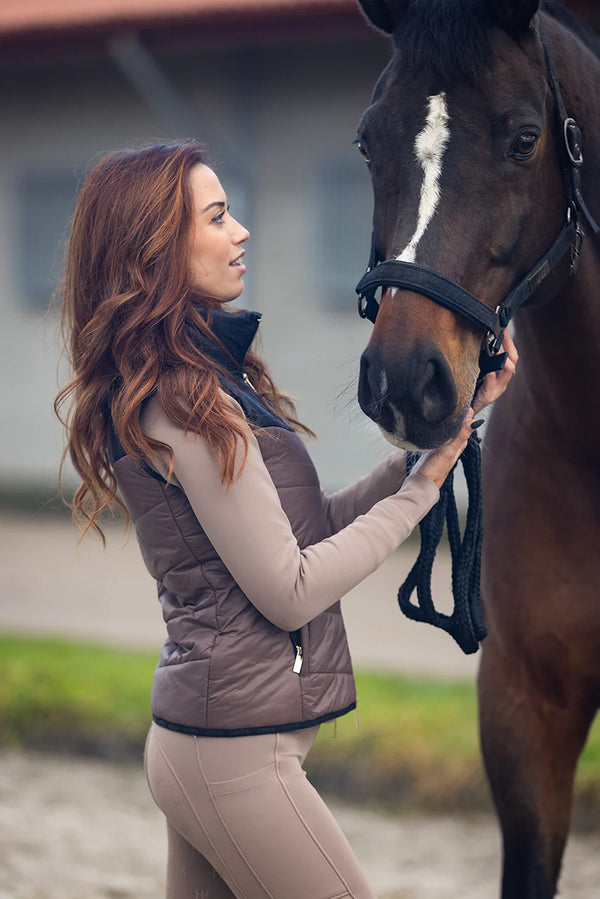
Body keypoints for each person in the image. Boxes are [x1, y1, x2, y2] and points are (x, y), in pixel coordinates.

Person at [55, 140, 517, 899]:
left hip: (211, 746)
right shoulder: (184, 400)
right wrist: (422, 491)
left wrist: (440, 439)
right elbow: (291, 587)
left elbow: (305, 532)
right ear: (155, 248)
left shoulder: (203, 384)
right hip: (232, 758)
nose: (241, 232)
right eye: (216, 216)